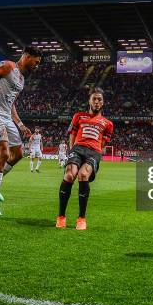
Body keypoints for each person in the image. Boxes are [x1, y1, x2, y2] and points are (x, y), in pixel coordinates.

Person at [0, 46, 42, 216]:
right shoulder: (7, 66)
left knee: (18, 154)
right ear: (27, 56)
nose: (37, 66)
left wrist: (20, 124)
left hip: (6, 116)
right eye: (36, 62)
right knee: (4, 153)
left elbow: (11, 104)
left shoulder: (21, 80)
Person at [56, 88, 114, 230]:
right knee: (69, 175)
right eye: (94, 98)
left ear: (103, 103)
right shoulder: (78, 116)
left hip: (93, 151)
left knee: (83, 175)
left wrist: (95, 152)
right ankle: (61, 217)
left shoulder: (108, 123)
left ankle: (81, 218)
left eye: (99, 99)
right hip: (77, 148)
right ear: (89, 101)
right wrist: (72, 150)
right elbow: (72, 135)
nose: (96, 101)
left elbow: (103, 143)